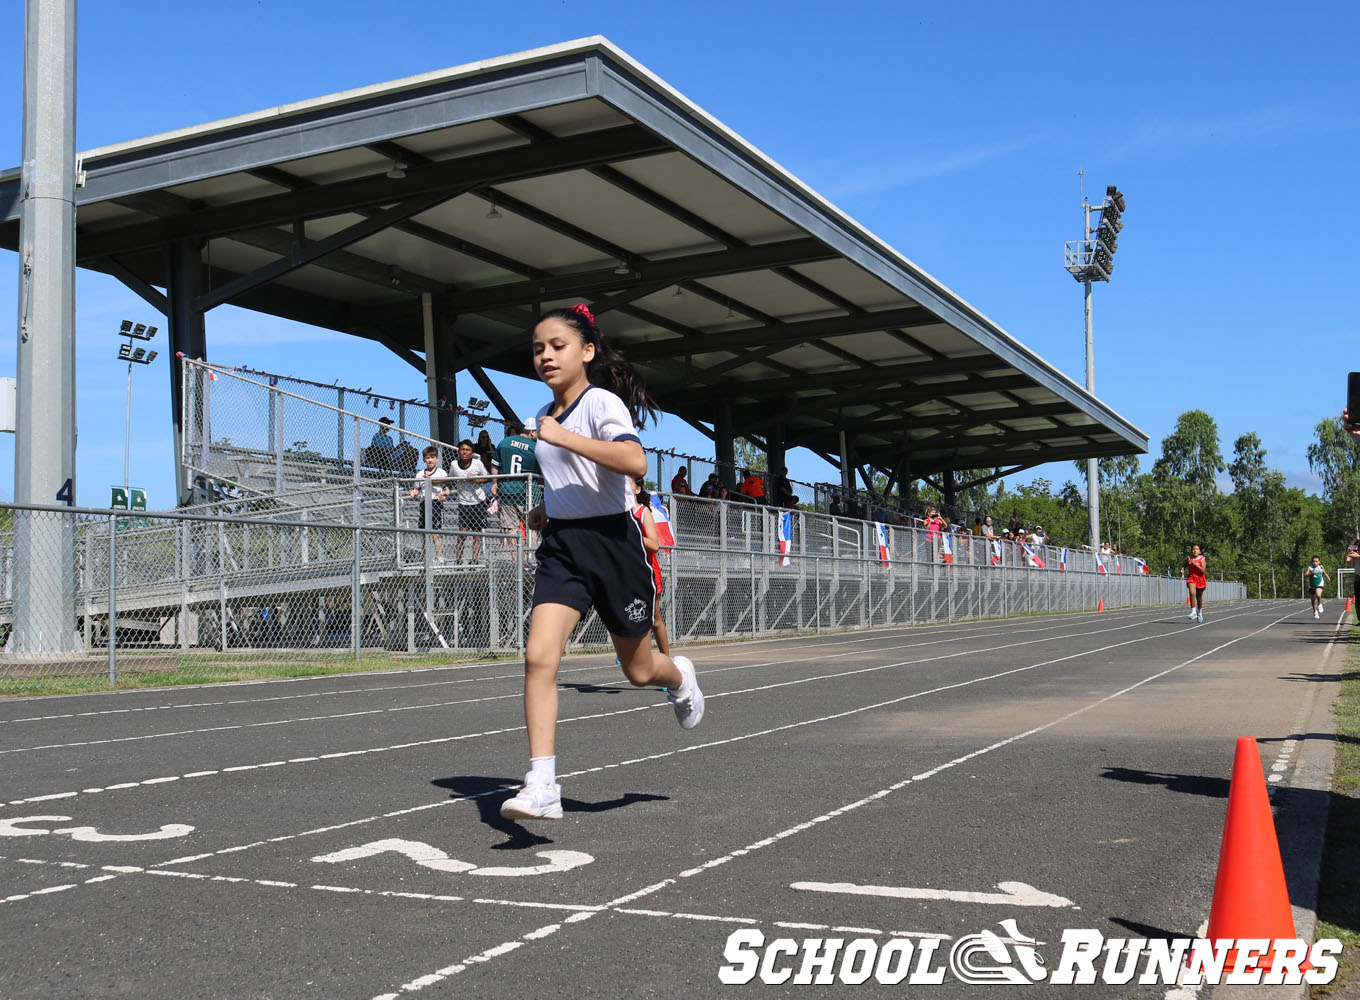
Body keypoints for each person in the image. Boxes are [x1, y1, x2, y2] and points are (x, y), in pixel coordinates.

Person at [499, 303, 704, 823]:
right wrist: (549, 508)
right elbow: (570, 476)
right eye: (538, 349)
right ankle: (542, 782)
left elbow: (634, 463)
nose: (545, 356)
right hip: (565, 547)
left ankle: (678, 678)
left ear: (586, 351)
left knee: (639, 671)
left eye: (557, 346)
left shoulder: (601, 404)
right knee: (539, 655)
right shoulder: (544, 418)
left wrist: (562, 436)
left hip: (616, 544)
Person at [630, 478, 671, 657]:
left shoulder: (643, 512)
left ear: (637, 489)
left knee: (654, 620)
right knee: (628, 615)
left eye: (627, 483)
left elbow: (654, 545)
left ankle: (667, 660)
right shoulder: (619, 514)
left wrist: (632, 535)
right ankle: (628, 650)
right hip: (627, 573)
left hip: (647, 573)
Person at [492, 421, 539, 547]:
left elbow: (495, 466)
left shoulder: (505, 442)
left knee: (512, 528)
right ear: (532, 432)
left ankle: (517, 561)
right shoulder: (534, 446)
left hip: (507, 489)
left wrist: (495, 483)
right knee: (531, 527)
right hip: (528, 491)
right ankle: (531, 559)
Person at [446, 439, 492, 563]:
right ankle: (459, 559)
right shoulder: (454, 464)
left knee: (477, 532)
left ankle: (474, 559)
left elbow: (487, 478)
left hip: (478, 501)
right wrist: (447, 490)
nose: (464, 452)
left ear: (472, 453)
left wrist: (477, 479)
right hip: (464, 502)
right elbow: (450, 479)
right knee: (462, 533)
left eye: (467, 450)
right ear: (458, 451)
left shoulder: (478, 463)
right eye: (462, 449)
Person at [408, 445, 448, 564]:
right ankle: (427, 559)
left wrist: (444, 496)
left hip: (435, 504)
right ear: (424, 459)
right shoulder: (420, 474)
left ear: (437, 459)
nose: (430, 460)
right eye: (427, 457)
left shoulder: (441, 472)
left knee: (435, 533)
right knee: (425, 534)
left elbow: (447, 489)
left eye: (432, 457)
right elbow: (417, 489)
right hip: (424, 503)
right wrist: (414, 493)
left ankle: (440, 558)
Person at [1183, 544, 1208, 623]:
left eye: (1197, 549)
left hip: (1200, 579)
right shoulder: (1190, 559)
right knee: (1192, 592)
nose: (1195, 550)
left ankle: (1199, 613)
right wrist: (1183, 568)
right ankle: (1193, 611)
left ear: (1199, 551)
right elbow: (1186, 564)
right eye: (1193, 549)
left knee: (1199, 598)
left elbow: (1203, 570)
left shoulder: (1202, 558)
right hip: (1191, 578)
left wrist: (1195, 563)